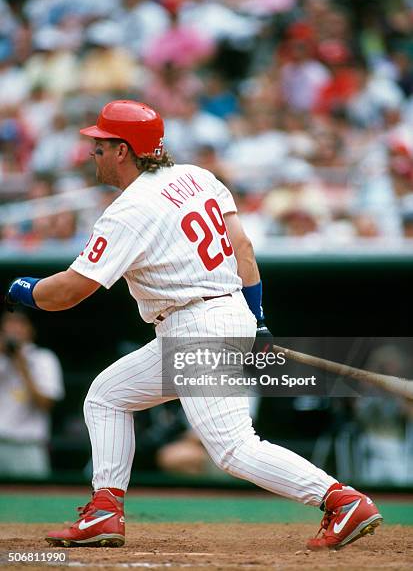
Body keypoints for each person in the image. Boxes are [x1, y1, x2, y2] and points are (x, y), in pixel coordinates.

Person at [6, 100, 382, 550]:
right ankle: (105, 510)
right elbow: (243, 248)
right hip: (222, 312)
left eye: (101, 145)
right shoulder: (196, 177)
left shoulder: (129, 210)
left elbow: (67, 292)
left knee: (233, 448)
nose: (94, 152)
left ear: (124, 151)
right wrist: (257, 321)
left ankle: (341, 499)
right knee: (107, 396)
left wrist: (21, 289)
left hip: (196, 324)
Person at [0, 310, 64, 478]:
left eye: (19, 323)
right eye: (9, 323)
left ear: (30, 329)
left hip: (29, 445)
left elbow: (46, 404)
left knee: (33, 499)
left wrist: (21, 365)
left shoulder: (43, 358)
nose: (13, 329)